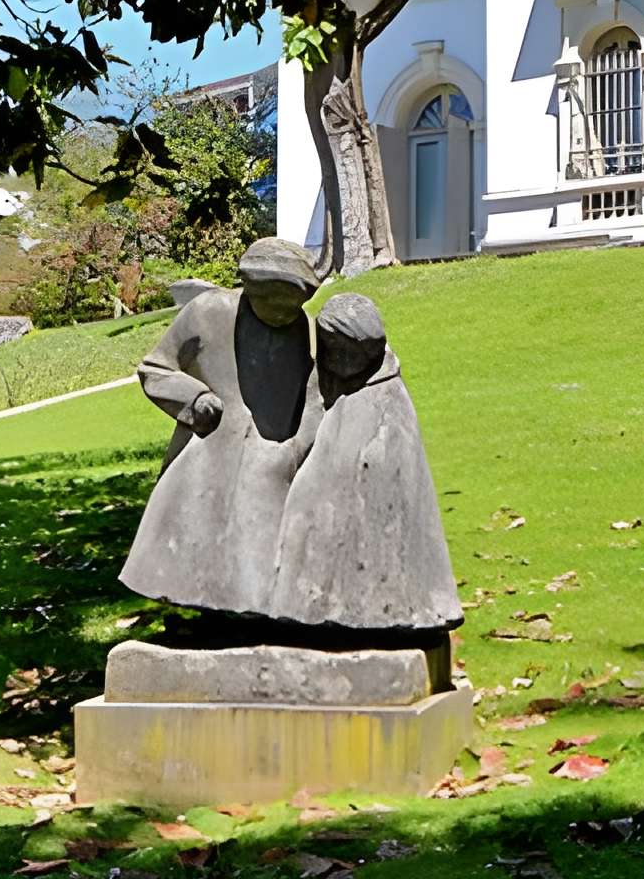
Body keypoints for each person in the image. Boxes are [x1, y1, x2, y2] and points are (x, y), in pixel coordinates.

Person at [122, 237, 321, 618]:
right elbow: (155, 369)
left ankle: (254, 621)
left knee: (260, 557)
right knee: (201, 544)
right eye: (271, 302)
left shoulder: (302, 328)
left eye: (291, 306)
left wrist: (299, 443)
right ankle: (210, 619)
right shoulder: (209, 312)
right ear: (249, 287)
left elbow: (308, 387)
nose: (282, 314)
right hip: (208, 451)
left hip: (271, 455)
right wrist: (193, 399)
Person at [269, 293, 462, 633]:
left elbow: (392, 464)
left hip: (369, 492)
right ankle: (307, 606)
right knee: (307, 507)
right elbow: (311, 418)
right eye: (330, 347)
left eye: (344, 350)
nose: (336, 358)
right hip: (326, 478)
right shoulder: (327, 374)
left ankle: (382, 611)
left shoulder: (389, 397)